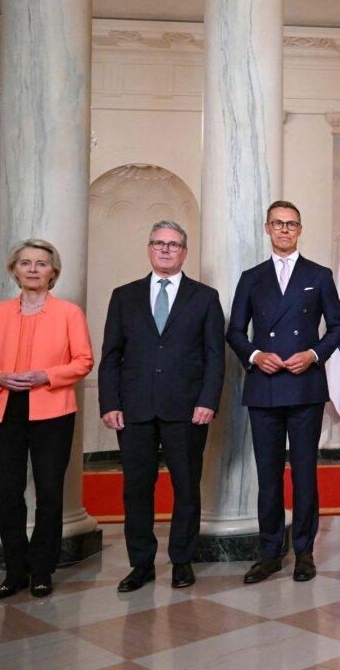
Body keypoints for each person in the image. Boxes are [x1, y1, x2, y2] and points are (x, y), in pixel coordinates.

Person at [100, 221, 225, 592]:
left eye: (173, 244)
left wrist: (208, 401)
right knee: (137, 489)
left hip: (187, 410)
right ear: (149, 249)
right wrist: (110, 403)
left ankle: (182, 560)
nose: (166, 250)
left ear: (184, 252)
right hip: (134, 409)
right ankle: (140, 564)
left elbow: (214, 357)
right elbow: (111, 355)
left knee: (186, 488)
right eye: (158, 243)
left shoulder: (204, 297)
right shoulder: (124, 296)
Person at [226, 200, 340, 583]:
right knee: (269, 475)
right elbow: (233, 331)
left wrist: (313, 354)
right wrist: (256, 354)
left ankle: (305, 552)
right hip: (264, 386)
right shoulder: (251, 277)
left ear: (299, 230)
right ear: (267, 228)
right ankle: (269, 552)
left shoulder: (320, 274)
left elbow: (339, 327)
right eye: (277, 223)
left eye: (291, 224)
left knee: (306, 474)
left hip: (304, 384)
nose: (284, 230)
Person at [0, 239, 94, 599]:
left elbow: (84, 361)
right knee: (8, 493)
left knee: (49, 492)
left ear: (53, 272)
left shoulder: (69, 313)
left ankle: (42, 570)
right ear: (14, 271)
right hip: (3, 410)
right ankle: (15, 571)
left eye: (41, 263)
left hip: (52, 411)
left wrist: (47, 376)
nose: (32, 269)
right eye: (25, 263)